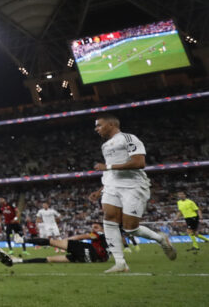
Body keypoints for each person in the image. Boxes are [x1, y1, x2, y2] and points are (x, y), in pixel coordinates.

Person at [88, 114, 176, 273]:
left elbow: (139, 162)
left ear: (111, 125)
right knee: (109, 218)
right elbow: (111, 172)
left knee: (130, 228)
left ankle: (160, 239)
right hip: (112, 186)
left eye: (99, 125)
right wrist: (100, 190)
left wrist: (107, 167)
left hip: (133, 186)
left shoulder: (128, 138)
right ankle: (120, 263)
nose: (96, 129)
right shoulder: (105, 146)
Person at [13, 223, 109, 264]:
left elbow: (83, 236)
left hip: (84, 249)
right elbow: (105, 258)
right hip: (87, 259)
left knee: (51, 242)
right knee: (50, 259)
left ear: (102, 228)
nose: (94, 229)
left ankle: (23, 240)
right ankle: (20, 261)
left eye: (96, 227)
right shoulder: (109, 240)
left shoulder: (99, 234)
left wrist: (68, 239)